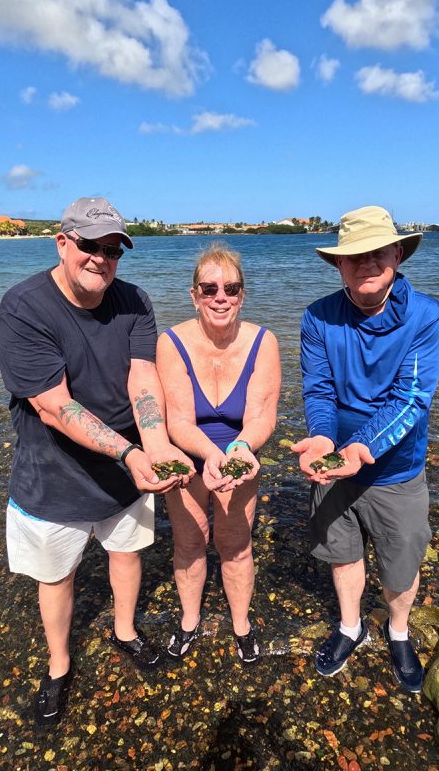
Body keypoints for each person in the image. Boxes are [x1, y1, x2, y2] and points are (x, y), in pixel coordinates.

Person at [0, 196, 193, 728]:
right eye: (89, 246)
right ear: (63, 243)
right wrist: (131, 452)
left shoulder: (133, 300)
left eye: (112, 250)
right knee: (56, 575)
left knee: (126, 553)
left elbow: (142, 377)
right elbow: (53, 406)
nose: (101, 258)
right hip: (52, 469)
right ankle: (59, 665)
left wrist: (154, 444)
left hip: (126, 466)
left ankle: (124, 630)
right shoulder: (25, 307)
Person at [291, 205, 439, 693]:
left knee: (401, 562)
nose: (367, 263)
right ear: (338, 264)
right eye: (354, 256)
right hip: (334, 465)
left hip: (397, 469)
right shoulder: (317, 317)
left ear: (397, 254)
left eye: (377, 252)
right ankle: (350, 626)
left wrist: (360, 447)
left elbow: (411, 398)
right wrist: (322, 438)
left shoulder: (425, 315)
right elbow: (318, 390)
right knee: (343, 553)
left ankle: (398, 632)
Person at [156, 243, 281, 664]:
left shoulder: (263, 342)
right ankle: (190, 620)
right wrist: (211, 456)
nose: (220, 297)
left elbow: (262, 415)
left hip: (241, 457)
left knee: (236, 544)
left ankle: (241, 624)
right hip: (189, 457)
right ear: (194, 295)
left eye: (231, 288)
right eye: (209, 289)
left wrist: (241, 449)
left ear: (242, 294)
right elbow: (177, 422)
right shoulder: (171, 342)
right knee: (190, 543)